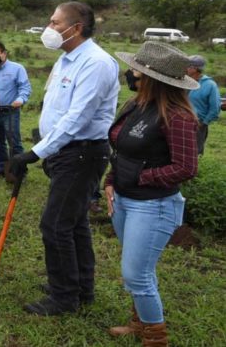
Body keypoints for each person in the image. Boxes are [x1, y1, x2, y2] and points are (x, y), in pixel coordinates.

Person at [8, 1, 119, 315]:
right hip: (65, 151)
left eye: (55, 23)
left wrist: (34, 153)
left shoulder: (96, 63)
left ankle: (64, 297)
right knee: (75, 223)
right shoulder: (66, 59)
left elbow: (77, 118)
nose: (50, 28)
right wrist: (44, 142)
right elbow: (56, 107)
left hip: (82, 153)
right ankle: (80, 286)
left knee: (55, 225)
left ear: (76, 28)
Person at [105, 41, 199, 346]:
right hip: (124, 199)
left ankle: (156, 339)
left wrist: (143, 176)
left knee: (135, 274)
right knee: (141, 271)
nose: (131, 74)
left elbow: (186, 167)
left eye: (137, 70)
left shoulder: (178, 117)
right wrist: (111, 180)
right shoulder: (135, 105)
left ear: (152, 79)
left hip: (154, 206)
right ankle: (140, 322)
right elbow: (120, 149)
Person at [0, 41, 31, 177]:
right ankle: (3, 167)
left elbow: (25, 87)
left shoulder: (17, 68)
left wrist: (20, 99)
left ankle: (19, 170)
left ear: (4, 54)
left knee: (14, 141)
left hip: (10, 111)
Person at [186, 55, 220, 154]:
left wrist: (203, 123)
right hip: (182, 120)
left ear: (195, 69)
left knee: (195, 152)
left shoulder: (210, 85)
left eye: (188, 66)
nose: (185, 68)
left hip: (198, 123)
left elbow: (215, 108)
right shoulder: (184, 82)